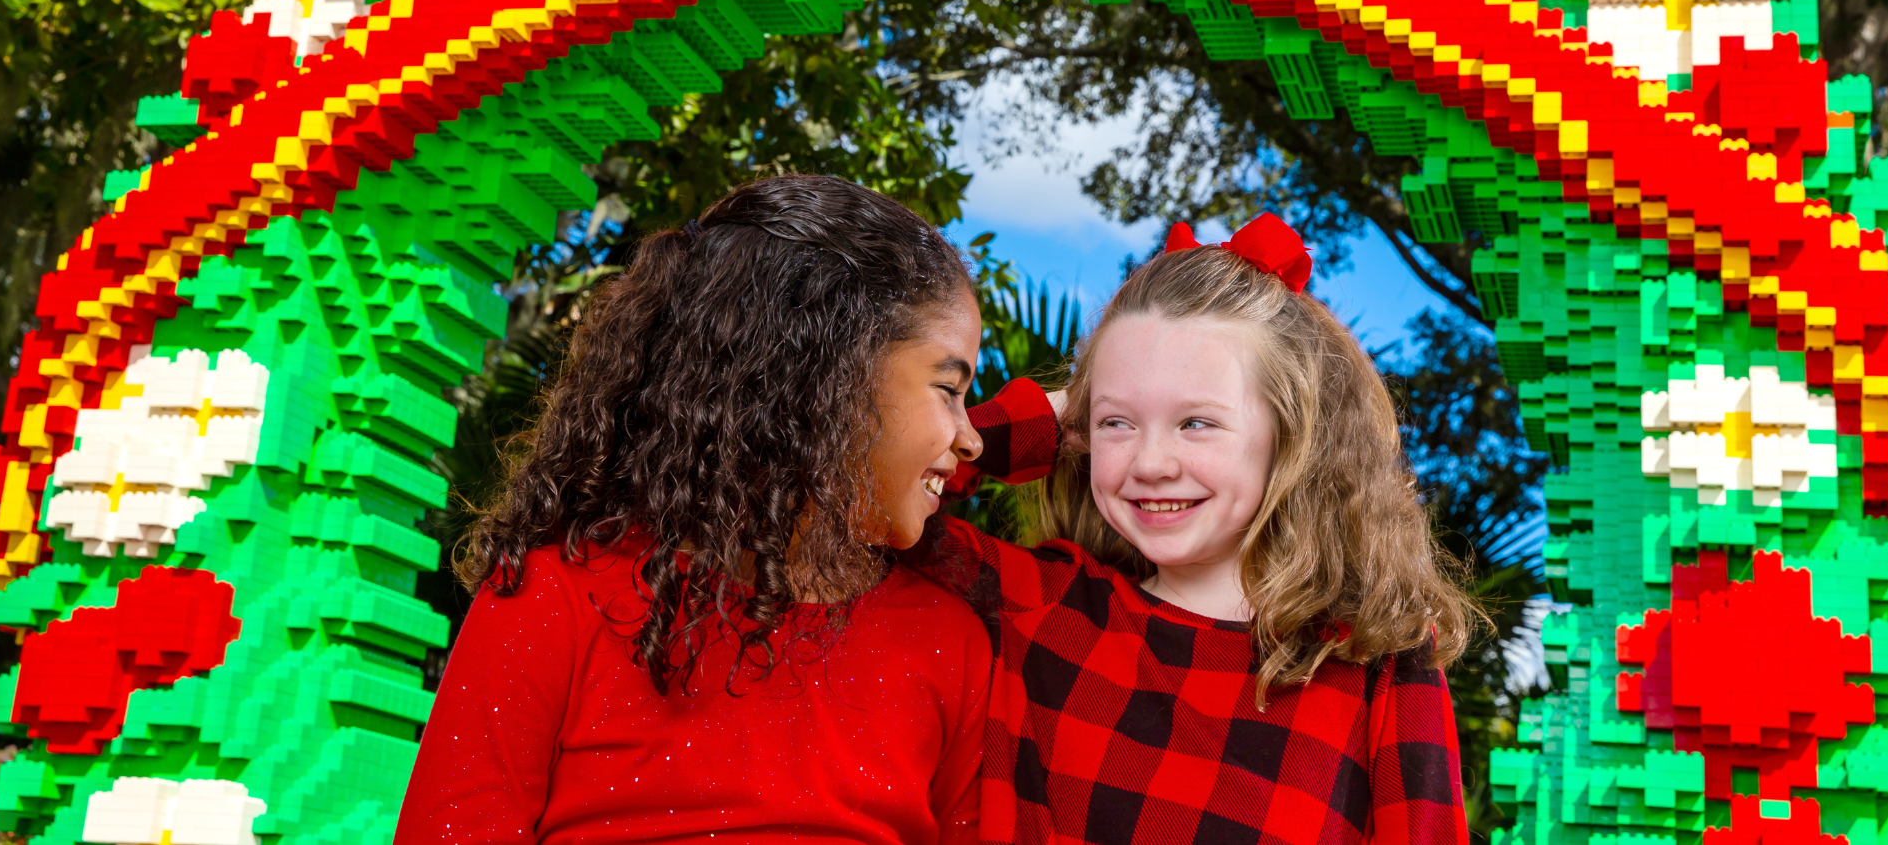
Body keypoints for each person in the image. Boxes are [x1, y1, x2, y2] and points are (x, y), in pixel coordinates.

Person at [396, 175, 994, 845]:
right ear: (828, 377)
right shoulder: (556, 596)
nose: (970, 436)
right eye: (949, 388)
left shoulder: (950, 644)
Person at [934, 213, 1478, 845]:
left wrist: (1117, 406)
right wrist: (1053, 418)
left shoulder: (1378, 660)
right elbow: (853, 496)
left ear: (1294, 435)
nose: (1151, 464)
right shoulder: (1040, 604)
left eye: (1196, 422)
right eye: (1118, 424)